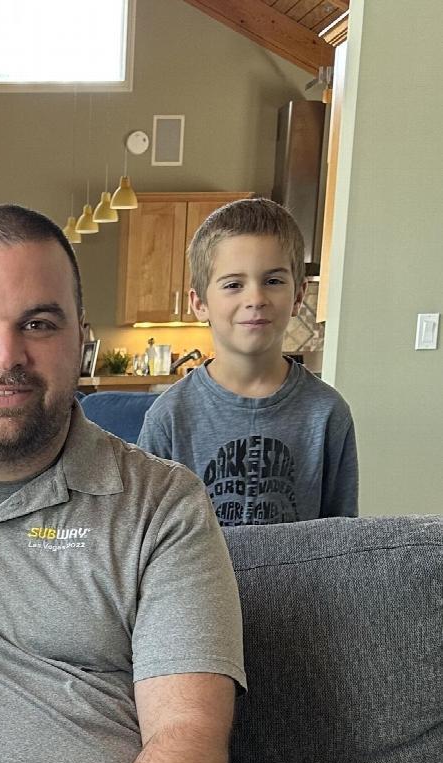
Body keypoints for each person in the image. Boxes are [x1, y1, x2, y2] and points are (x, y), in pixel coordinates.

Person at [0, 204, 245, 763]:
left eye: (39, 324)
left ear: (80, 336)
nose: (5, 357)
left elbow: (187, 736)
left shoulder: (163, 505)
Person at [138, 197, 358, 524]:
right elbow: (144, 531)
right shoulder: (168, 417)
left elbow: (345, 535)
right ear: (199, 304)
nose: (255, 298)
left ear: (298, 296)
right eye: (233, 285)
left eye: (273, 281)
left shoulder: (328, 413)